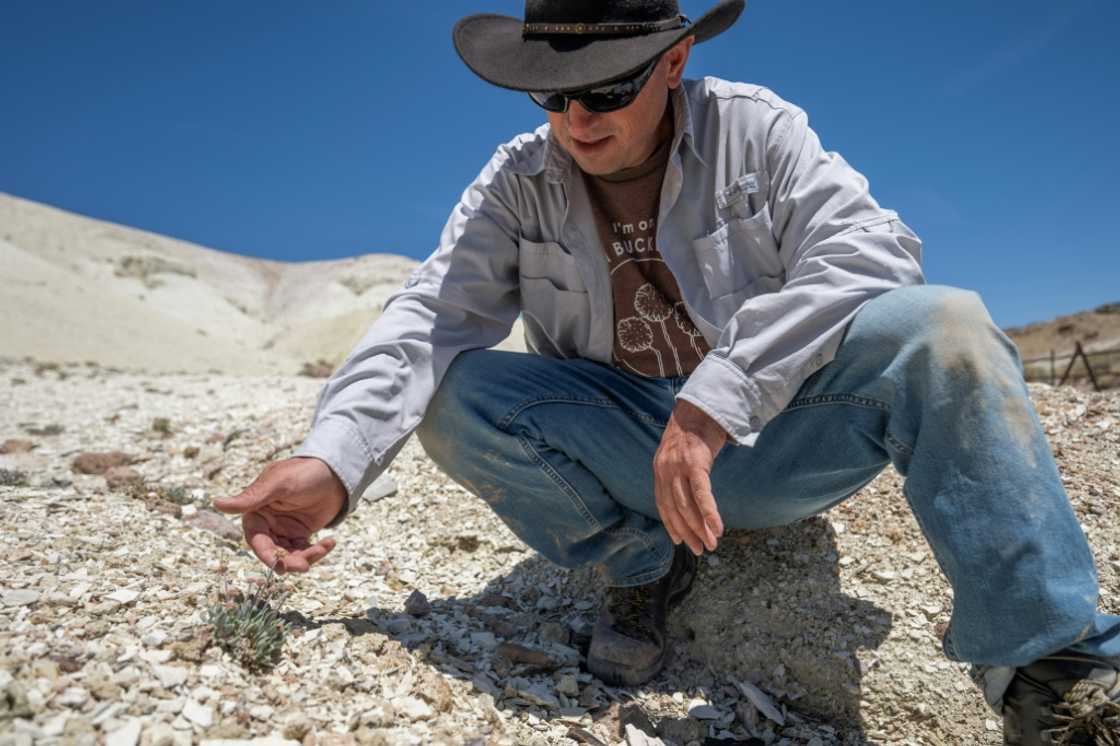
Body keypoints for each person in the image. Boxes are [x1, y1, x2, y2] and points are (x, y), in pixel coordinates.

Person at [214, 1, 1120, 741]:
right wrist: (331, 461)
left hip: (771, 439)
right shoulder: (516, 182)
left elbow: (873, 251)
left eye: (605, 88)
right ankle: (641, 564)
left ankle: (1051, 666)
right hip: (626, 451)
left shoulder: (755, 130)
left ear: (675, 61)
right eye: (551, 95)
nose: (577, 119)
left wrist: (715, 399)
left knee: (946, 325)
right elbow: (431, 315)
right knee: (454, 395)